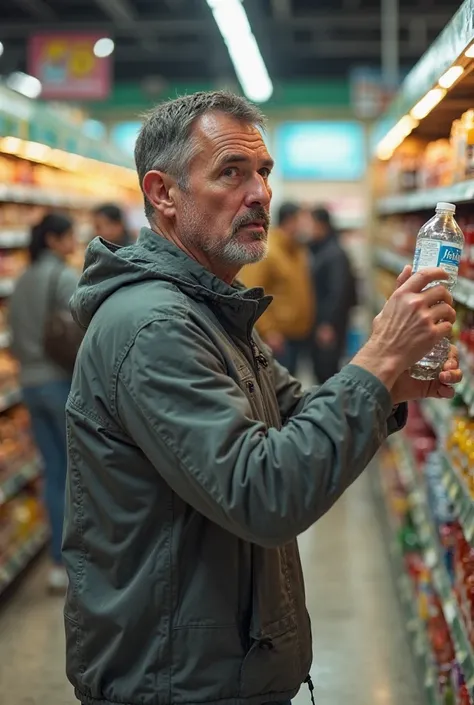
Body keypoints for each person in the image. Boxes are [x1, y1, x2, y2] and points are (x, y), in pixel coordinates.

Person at [63, 91, 461, 705]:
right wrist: (376, 360)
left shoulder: (209, 307)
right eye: (231, 172)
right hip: (174, 679)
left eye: (265, 172)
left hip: (216, 663)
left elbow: (295, 415)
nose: (260, 194)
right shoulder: (156, 328)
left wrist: (388, 387)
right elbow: (263, 490)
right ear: (163, 193)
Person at [9, 213, 78, 593]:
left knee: (53, 472)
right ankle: (75, 558)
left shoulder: (21, 280)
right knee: (77, 473)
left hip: (29, 387)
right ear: (53, 239)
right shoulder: (63, 277)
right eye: (69, 236)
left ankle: (56, 564)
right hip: (60, 382)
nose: (73, 242)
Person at [239, 201, 314, 374]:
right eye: (303, 221)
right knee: (278, 392)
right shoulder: (268, 251)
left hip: (299, 335)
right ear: (290, 221)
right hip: (278, 338)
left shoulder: (298, 250)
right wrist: (269, 331)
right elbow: (251, 292)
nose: (307, 226)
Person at [307, 206, 358, 383]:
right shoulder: (321, 248)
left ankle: (329, 406)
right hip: (322, 322)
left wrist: (327, 323)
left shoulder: (334, 253)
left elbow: (338, 291)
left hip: (329, 325)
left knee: (326, 370)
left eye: (311, 223)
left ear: (321, 225)